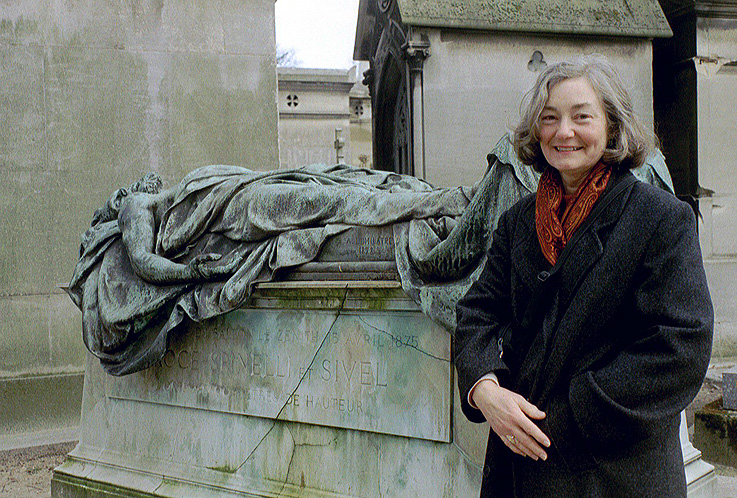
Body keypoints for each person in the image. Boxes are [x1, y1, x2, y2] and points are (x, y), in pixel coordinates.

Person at [454, 55, 713, 497]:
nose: (563, 132)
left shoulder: (661, 219)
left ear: (612, 127)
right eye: (549, 118)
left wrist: (568, 412)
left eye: (581, 117)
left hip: (613, 472)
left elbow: (679, 346)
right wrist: (485, 389)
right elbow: (477, 313)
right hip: (518, 472)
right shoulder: (518, 222)